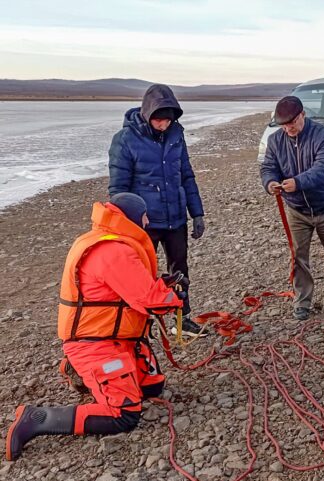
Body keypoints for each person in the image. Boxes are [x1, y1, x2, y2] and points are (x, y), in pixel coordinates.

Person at [6, 193, 186, 461]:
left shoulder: (103, 238)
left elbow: (124, 290)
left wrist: (163, 284)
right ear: (134, 217)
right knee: (124, 415)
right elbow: (150, 301)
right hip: (94, 344)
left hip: (117, 338)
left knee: (152, 387)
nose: (148, 221)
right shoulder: (114, 250)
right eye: (145, 215)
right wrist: (175, 298)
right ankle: (36, 418)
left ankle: (78, 370)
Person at [108, 83, 205, 333]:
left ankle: (183, 320)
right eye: (159, 120)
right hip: (144, 224)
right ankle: (140, 326)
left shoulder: (176, 135)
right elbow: (118, 190)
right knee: (141, 277)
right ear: (148, 114)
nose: (163, 125)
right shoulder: (124, 140)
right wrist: (127, 225)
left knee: (180, 271)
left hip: (176, 219)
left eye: (168, 121)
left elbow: (186, 175)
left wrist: (197, 213)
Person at [260, 96, 324, 320]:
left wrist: (298, 182)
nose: (289, 128)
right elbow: (268, 167)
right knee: (298, 256)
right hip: (296, 210)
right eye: (284, 125)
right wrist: (270, 183)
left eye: (292, 123)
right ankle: (302, 301)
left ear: (303, 115)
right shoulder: (276, 141)